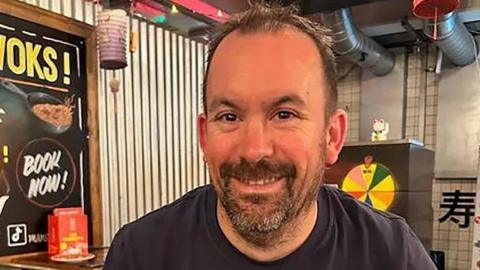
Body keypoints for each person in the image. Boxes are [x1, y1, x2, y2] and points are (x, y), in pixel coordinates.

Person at [104, 3, 437, 269]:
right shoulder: (141, 253)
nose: (254, 149)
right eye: (230, 116)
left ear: (332, 136)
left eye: (284, 114)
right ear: (204, 137)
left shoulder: (391, 254)